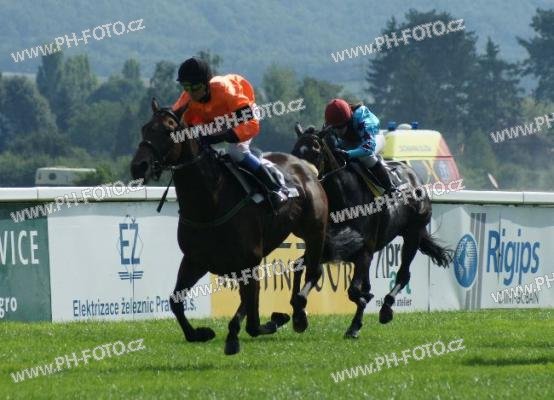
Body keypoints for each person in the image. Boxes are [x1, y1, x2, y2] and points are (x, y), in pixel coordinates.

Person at [172, 57, 287, 203]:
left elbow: (250, 123)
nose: (191, 93)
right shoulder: (187, 98)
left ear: (206, 84)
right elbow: (173, 119)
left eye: (195, 88)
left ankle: (275, 187)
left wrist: (224, 136)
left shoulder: (224, 88)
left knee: (236, 152)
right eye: (186, 87)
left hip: (244, 115)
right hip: (216, 120)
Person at [324, 98, 397, 194]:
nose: (337, 131)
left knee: (366, 157)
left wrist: (348, 154)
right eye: (334, 127)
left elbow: (369, 148)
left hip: (374, 138)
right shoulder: (329, 122)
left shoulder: (362, 117)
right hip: (350, 142)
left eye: (340, 127)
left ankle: (391, 188)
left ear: (348, 120)